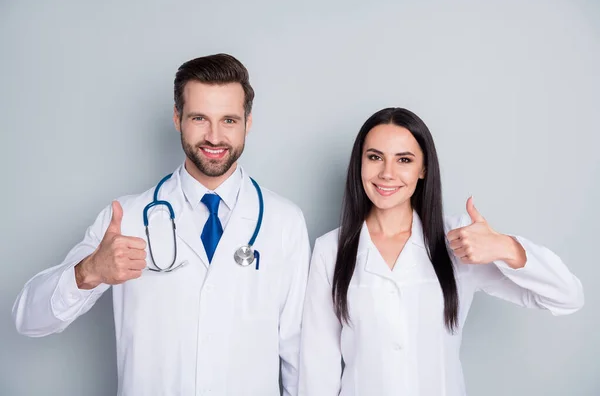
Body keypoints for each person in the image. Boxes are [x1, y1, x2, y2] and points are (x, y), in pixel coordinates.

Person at [13, 53, 310, 396]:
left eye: (229, 120)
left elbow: (298, 355)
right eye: (200, 118)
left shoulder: (284, 221)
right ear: (177, 118)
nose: (214, 137)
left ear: (248, 122)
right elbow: (29, 320)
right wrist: (90, 270)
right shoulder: (127, 217)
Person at [298, 107, 584, 396]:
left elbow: (567, 297)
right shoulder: (330, 251)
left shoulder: (458, 241)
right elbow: (318, 366)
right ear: (359, 163)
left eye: (404, 160)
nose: (387, 173)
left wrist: (505, 247)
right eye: (375, 157)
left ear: (423, 169)